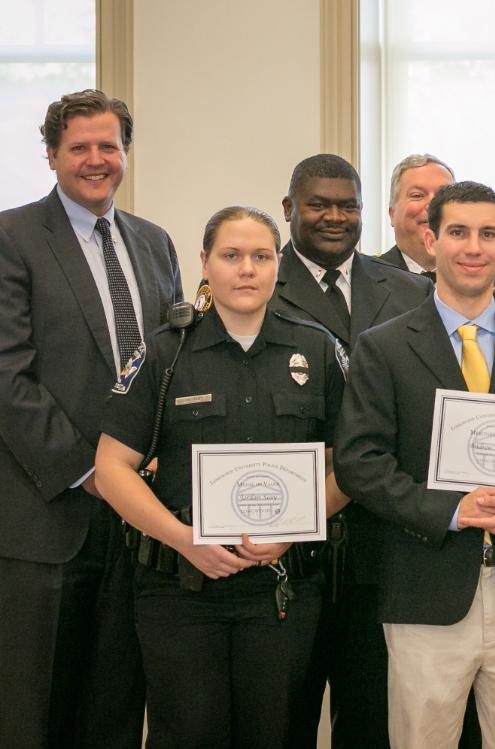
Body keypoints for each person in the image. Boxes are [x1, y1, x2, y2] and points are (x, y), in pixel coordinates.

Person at [335, 180, 495, 748]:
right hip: (425, 585)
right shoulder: (384, 346)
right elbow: (360, 461)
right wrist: (450, 511)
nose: (473, 247)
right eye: (458, 233)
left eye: (487, 234)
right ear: (430, 240)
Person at [93, 205, 348, 746]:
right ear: (205, 262)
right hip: (179, 591)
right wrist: (184, 540)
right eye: (231, 256)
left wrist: (292, 530)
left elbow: (349, 465)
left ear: (278, 263)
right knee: (188, 734)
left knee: (275, 733)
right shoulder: (165, 351)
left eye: (260, 256)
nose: (246, 269)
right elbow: (112, 468)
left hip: (282, 589)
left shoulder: (317, 348)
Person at [0, 88, 181, 749]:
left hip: (138, 526)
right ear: (51, 155)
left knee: (114, 708)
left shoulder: (156, 244)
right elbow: (6, 379)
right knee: (32, 711)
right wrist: (91, 470)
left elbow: (172, 368)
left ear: (126, 153)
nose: (96, 159)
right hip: (47, 518)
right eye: (79, 147)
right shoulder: (11, 237)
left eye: (109, 145)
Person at [271, 153, 435, 748]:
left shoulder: (412, 290)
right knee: (284, 714)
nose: (335, 217)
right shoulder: (262, 282)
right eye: (319, 204)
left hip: (384, 543)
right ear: (289, 209)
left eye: (349, 206)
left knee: (371, 719)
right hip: (291, 547)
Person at [375, 153, 455, 277]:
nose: (432, 205)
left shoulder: (491, 285)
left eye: (442, 196)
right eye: (417, 195)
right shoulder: (366, 282)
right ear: (392, 214)